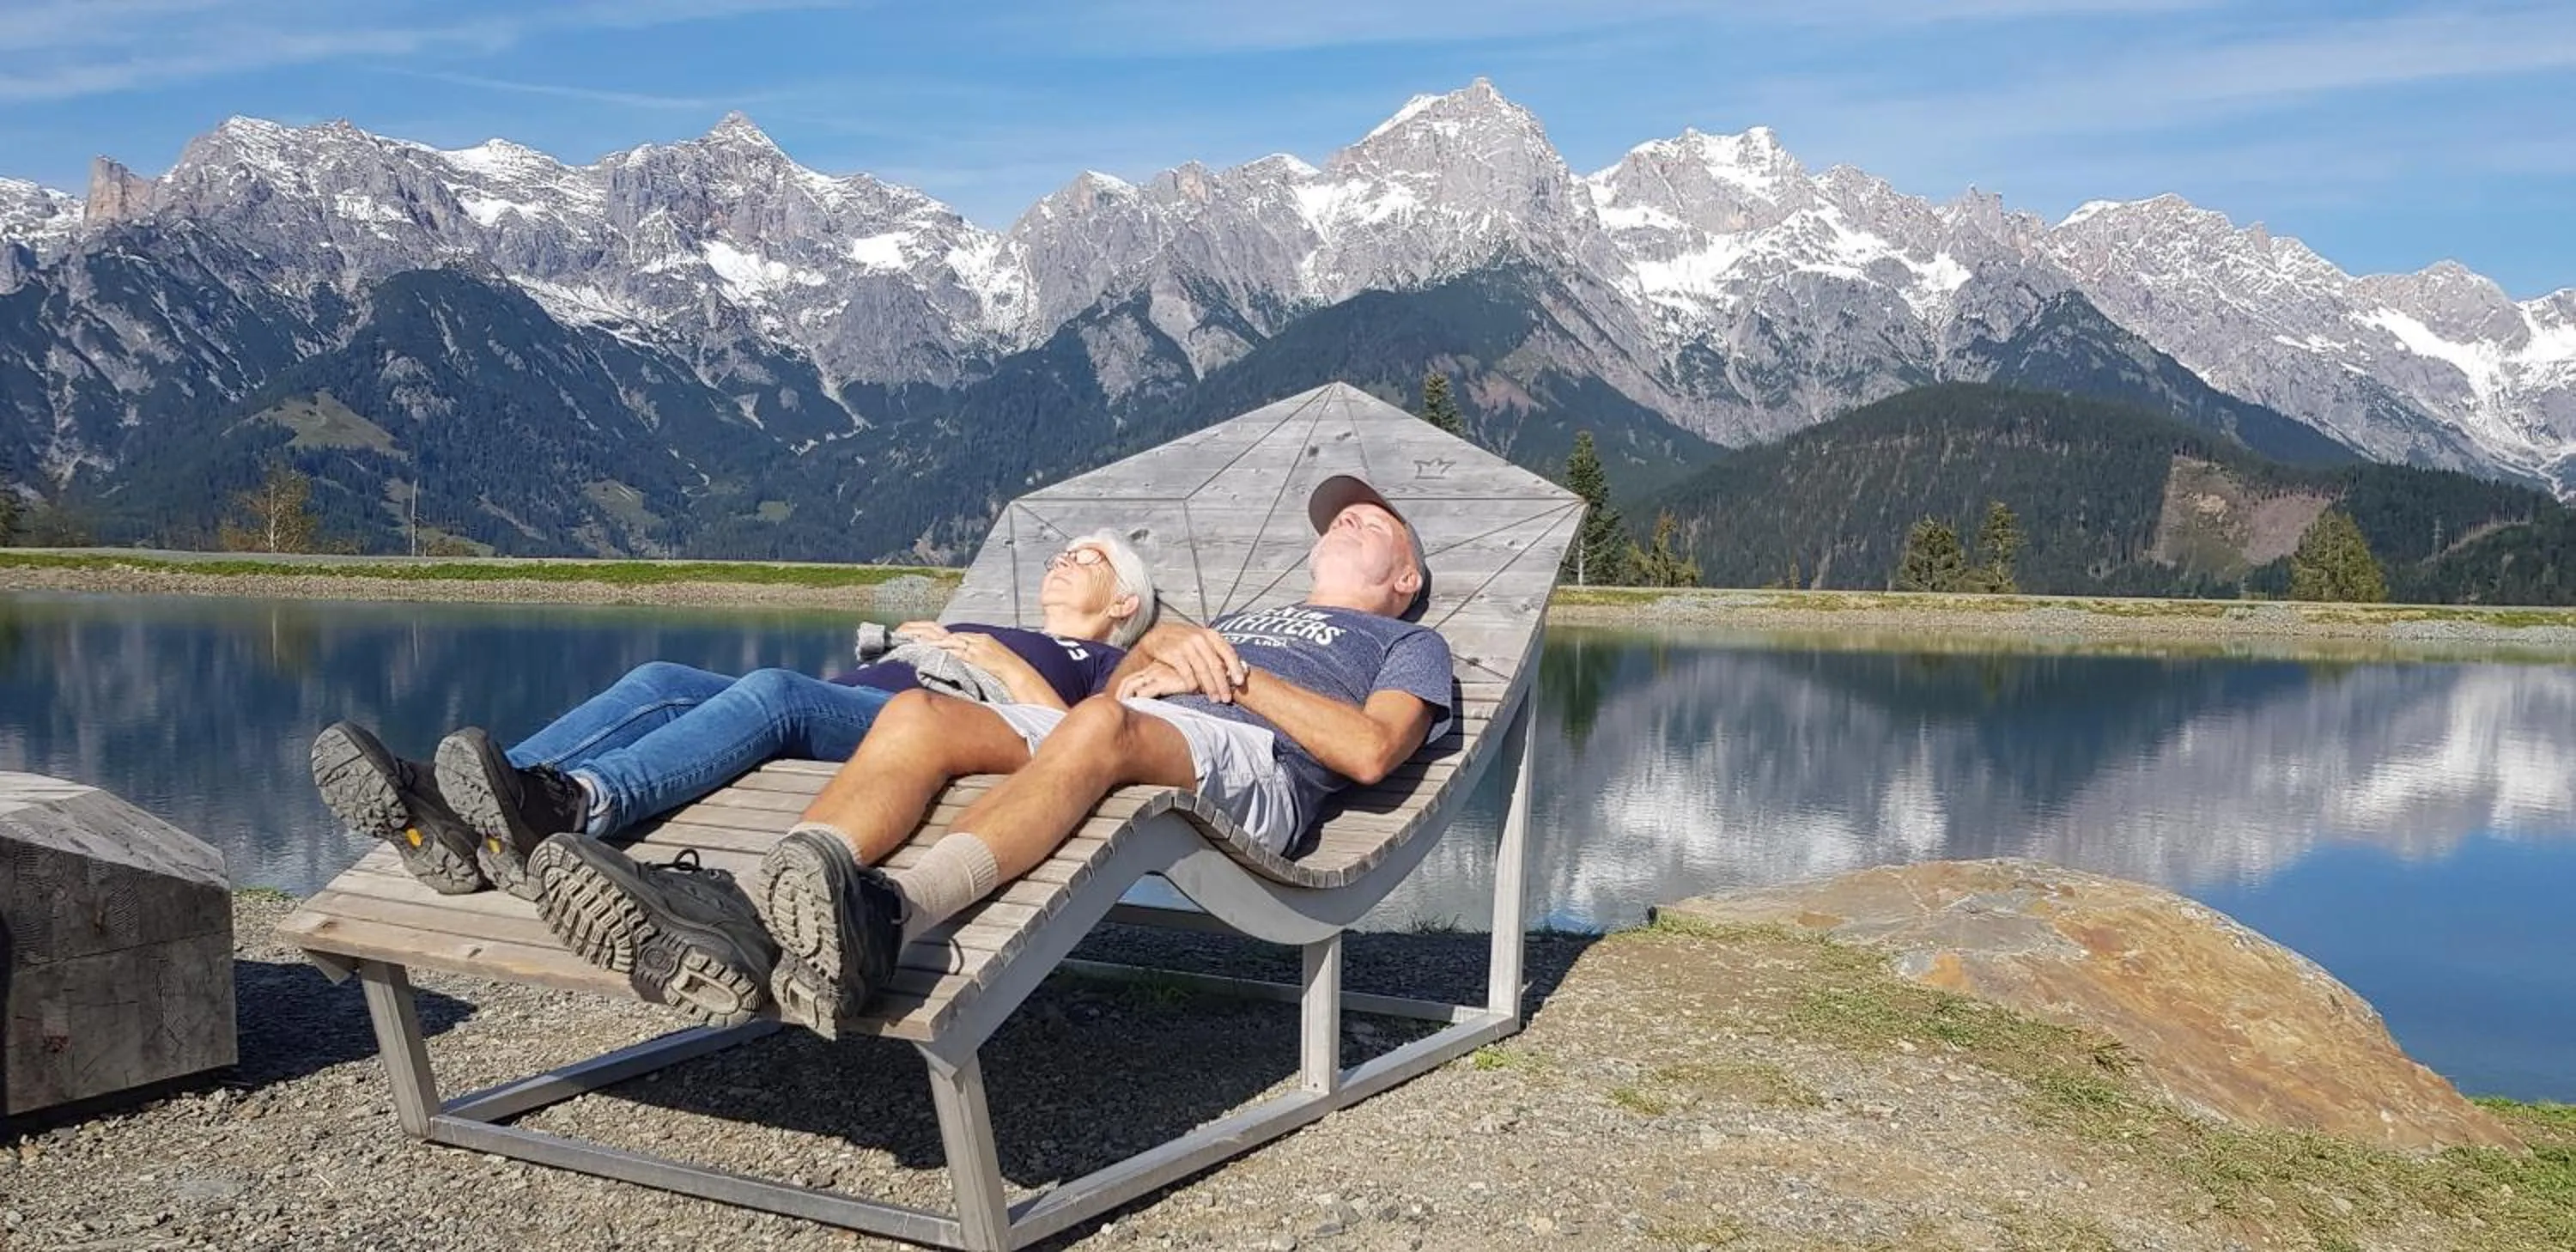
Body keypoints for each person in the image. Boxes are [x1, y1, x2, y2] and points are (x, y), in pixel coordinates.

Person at [529, 474, 1450, 1036]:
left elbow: (1371, 752)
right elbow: (1117, 686)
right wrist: (1161, 653)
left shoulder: (1411, 647)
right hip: (1154, 725)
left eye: (1369, 524)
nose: (1345, 521)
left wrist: (1238, 679)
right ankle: (773, 900)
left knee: (1102, 732)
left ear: (1404, 579)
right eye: (1337, 517)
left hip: (1257, 767)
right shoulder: (1245, 616)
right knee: (924, 717)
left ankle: (889, 924)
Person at [307, 532, 1157, 903]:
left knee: (777, 693)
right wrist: (939, 639)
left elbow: (1075, 741)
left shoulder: (1110, 664)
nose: (1060, 561)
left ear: (1124, 599)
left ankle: (577, 806)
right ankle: (459, 814)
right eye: (1056, 552)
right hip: (869, 699)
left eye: (1082, 557)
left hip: (924, 728)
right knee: (661, 675)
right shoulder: (988, 622)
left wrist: (991, 658)